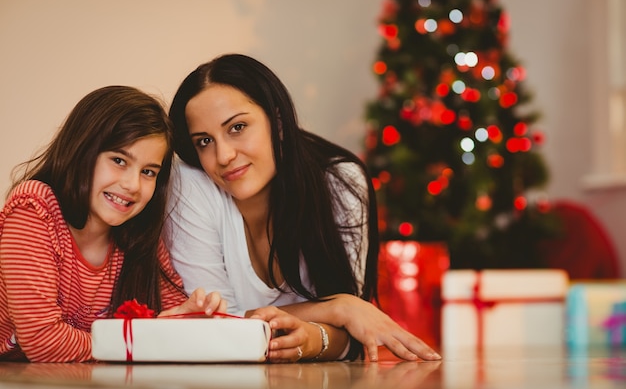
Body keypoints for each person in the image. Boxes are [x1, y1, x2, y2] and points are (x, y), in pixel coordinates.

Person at [165, 53, 442, 363]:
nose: (224, 155)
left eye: (237, 127)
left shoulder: (341, 183)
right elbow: (215, 326)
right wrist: (334, 308)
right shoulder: (191, 186)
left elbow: (354, 335)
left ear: (278, 122)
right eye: (204, 141)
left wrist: (313, 338)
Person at [0, 86, 225, 363]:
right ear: (81, 151)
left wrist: (185, 318)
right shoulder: (34, 208)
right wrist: (145, 339)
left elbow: (172, 329)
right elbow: (44, 341)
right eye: (119, 160)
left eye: (148, 172)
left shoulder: (140, 236)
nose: (132, 185)